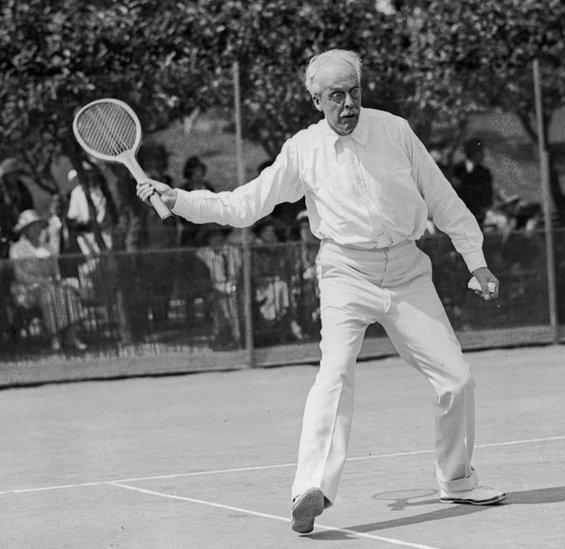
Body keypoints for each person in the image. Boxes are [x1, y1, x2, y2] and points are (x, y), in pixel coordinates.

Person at [137, 49, 505, 533]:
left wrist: (475, 261)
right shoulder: (301, 150)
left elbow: (444, 200)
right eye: (336, 95)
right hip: (344, 273)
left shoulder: (395, 131)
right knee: (333, 376)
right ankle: (310, 489)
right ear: (316, 100)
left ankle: (456, 481)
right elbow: (245, 204)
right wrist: (180, 199)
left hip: (408, 272)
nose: (348, 103)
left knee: (457, 380)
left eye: (354, 91)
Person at [8, 210, 87, 351]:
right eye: (33, 226)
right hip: (28, 291)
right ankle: (55, 337)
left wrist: (55, 279)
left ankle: (72, 336)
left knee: (67, 294)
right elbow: (20, 275)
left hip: (49, 287)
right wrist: (41, 281)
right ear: (26, 230)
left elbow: (55, 271)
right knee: (50, 295)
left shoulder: (46, 247)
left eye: (38, 225)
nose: (37, 229)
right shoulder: (17, 249)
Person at [452, 137, 495, 226]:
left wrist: (485, 208)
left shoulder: (484, 172)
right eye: (480, 151)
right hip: (459, 215)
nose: (483, 155)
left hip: (477, 214)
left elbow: (487, 193)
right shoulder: (457, 170)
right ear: (473, 153)